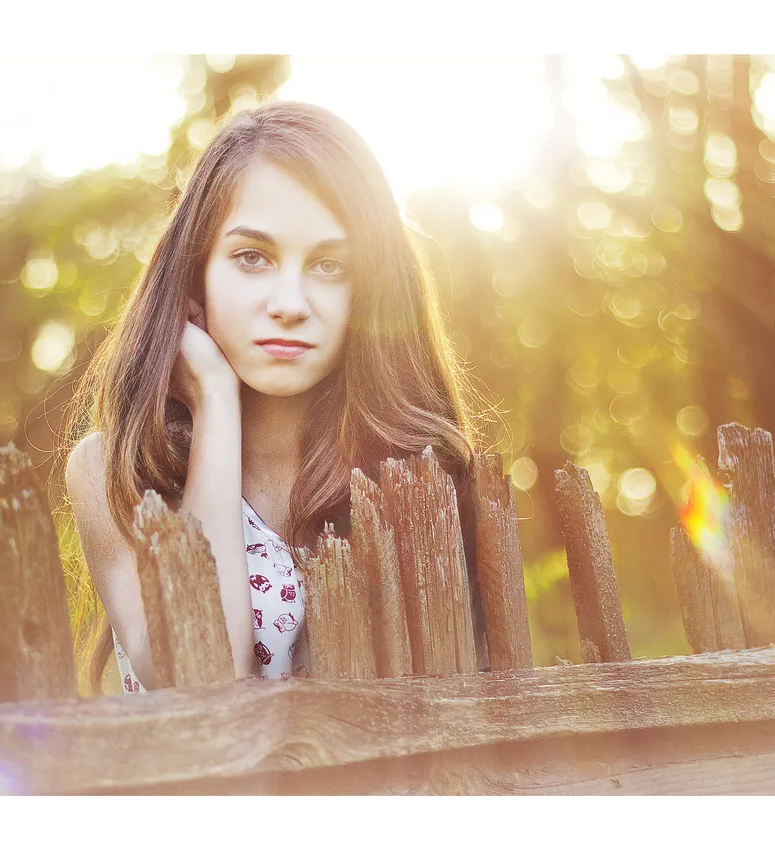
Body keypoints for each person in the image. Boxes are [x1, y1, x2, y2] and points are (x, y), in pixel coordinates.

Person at [63, 99, 491, 695]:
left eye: (330, 266)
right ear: (194, 274)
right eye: (252, 258)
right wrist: (214, 399)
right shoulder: (114, 475)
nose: (291, 302)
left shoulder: (419, 474)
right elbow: (204, 679)